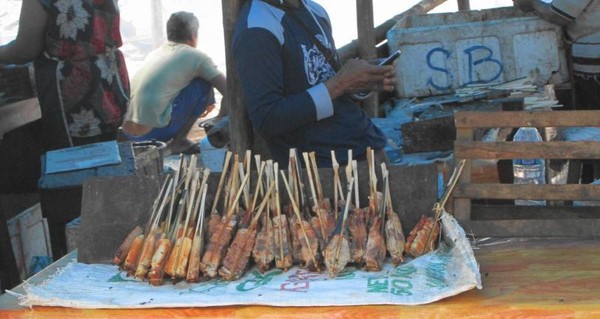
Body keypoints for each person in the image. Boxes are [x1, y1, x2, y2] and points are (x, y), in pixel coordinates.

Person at [232, 0, 396, 167]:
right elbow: (267, 119)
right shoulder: (256, 29)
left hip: (368, 144)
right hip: (324, 169)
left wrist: (358, 83)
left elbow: (323, 82)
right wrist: (340, 83)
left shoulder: (316, 11)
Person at [0, 0, 130, 151]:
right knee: (107, 158)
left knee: (74, 163)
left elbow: (25, 50)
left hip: (73, 90)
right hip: (110, 79)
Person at [514, 0, 600, 181]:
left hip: (592, 69)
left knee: (588, 126)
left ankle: (588, 188)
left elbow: (559, 14)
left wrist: (532, 4)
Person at [120, 11, 228, 155]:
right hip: (151, 134)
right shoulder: (196, 56)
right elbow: (230, 91)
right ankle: (180, 141)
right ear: (194, 35)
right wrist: (222, 117)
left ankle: (177, 140)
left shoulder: (155, 53)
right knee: (203, 82)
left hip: (129, 134)